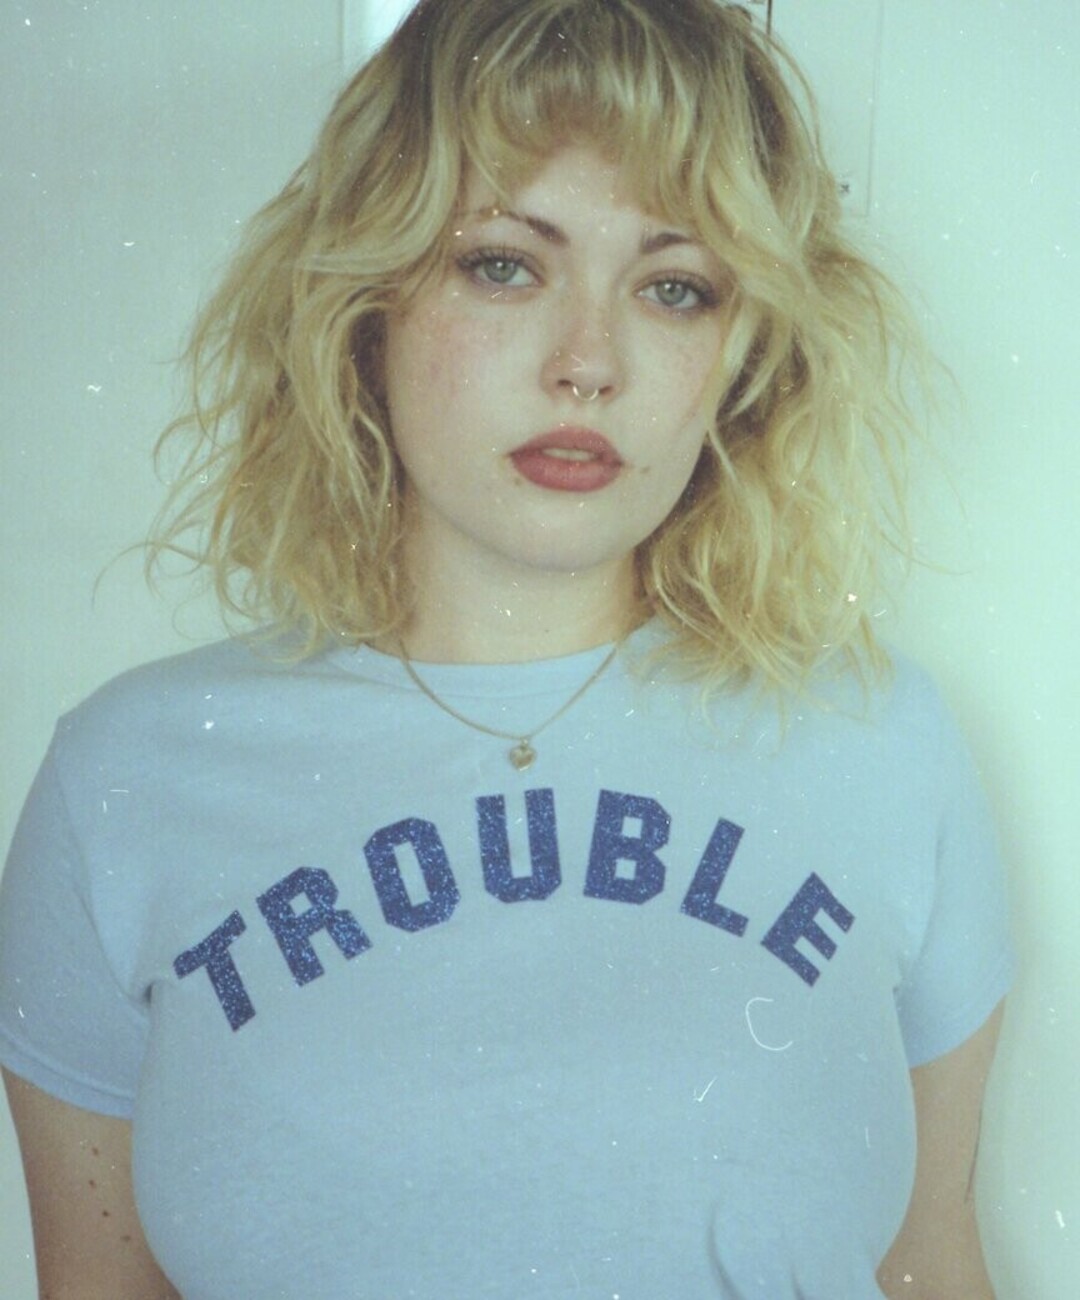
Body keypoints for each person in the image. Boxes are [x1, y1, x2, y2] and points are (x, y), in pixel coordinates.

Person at [0, 1, 1013, 1296]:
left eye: (674, 287)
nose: (588, 362)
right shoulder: (124, 779)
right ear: (367, 303)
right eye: (503, 265)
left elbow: (933, 1261)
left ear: (743, 355)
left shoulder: (884, 744)